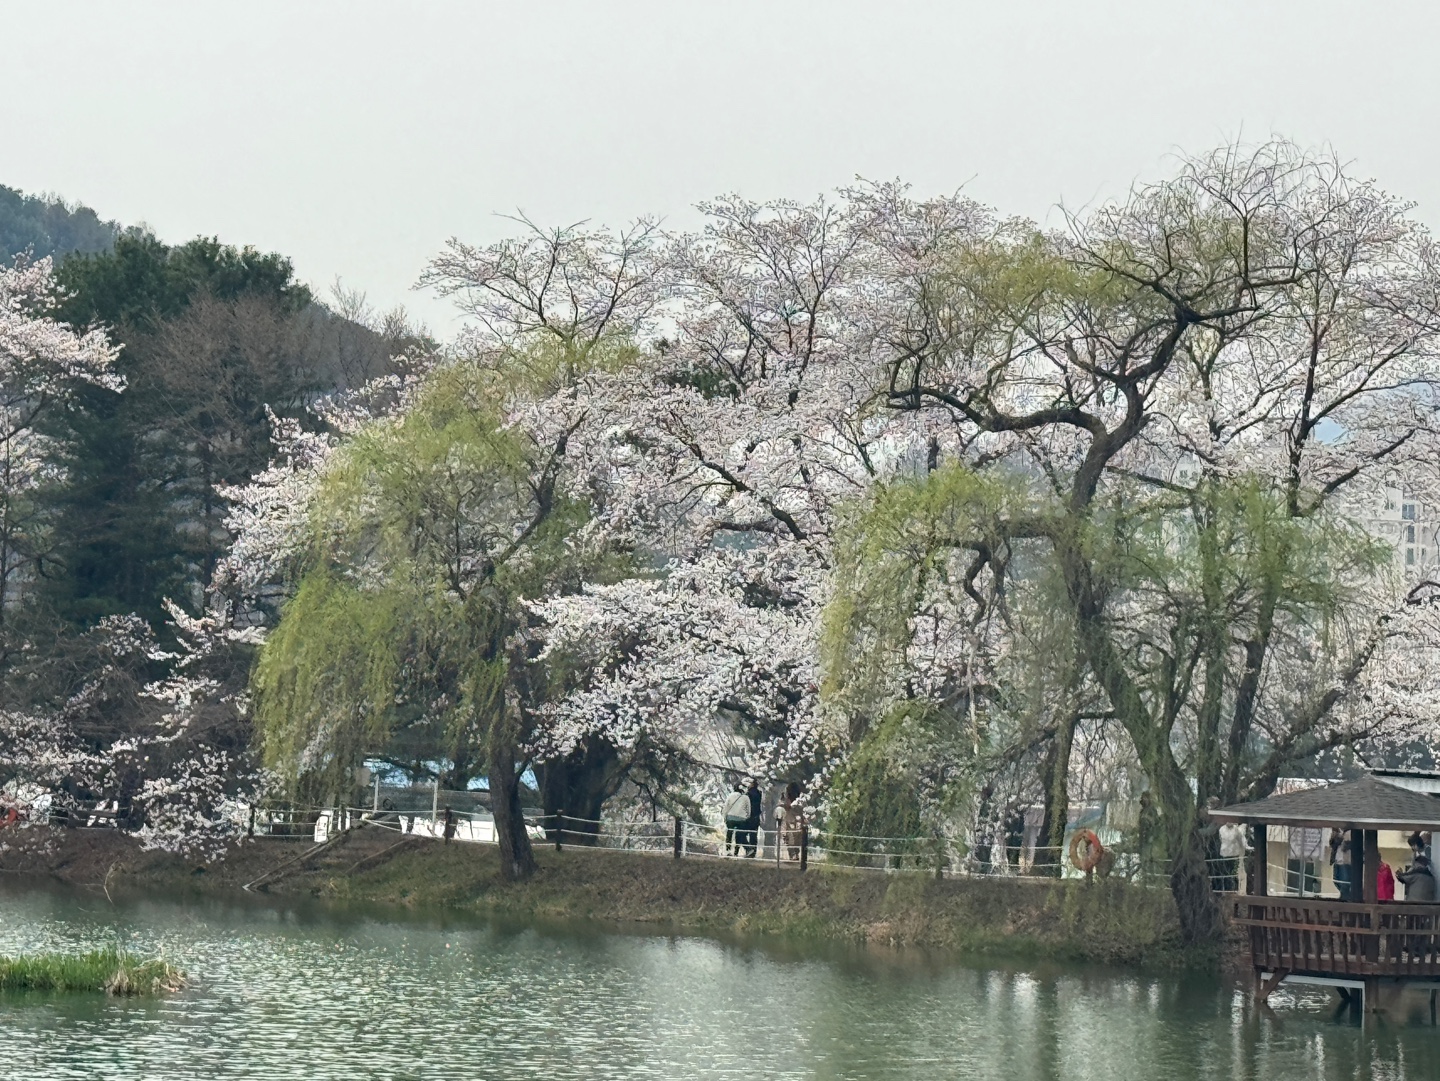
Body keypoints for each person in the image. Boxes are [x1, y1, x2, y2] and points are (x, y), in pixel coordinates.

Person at [1396, 831, 1437, 902]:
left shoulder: (1427, 850)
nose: (1412, 847)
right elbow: (1413, 868)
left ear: (1416, 844)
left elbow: (1418, 868)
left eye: (1412, 845)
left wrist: (1406, 875)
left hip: (1426, 878)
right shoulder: (1416, 854)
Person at [1218, 822, 1248, 893]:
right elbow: (1220, 839)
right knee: (1225, 873)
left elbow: (1241, 842)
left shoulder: (1236, 830)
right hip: (1224, 854)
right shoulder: (1221, 829)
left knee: (1233, 874)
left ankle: (1234, 890)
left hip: (1234, 855)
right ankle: (1226, 890)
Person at [780, 782, 805, 861]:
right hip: (797, 819)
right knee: (797, 836)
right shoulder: (800, 801)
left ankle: (792, 854)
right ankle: (796, 853)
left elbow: (784, 805)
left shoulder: (786, 799)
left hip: (789, 818)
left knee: (789, 836)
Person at [723, 782, 749, 856]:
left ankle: (728, 850)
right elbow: (748, 809)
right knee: (739, 835)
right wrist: (746, 817)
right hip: (741, 819)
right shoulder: (746, 797)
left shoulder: (730, 796)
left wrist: (725, 816)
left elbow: (726, 807)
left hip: (730, 817)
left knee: (729, 834)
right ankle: (736, 852)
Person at [1328, 830, 1352, 902]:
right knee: (1336, 880)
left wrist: (1341, 838)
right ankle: (1344, 895)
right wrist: (1335, 837)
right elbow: (1331, 843)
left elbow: (1345, 846)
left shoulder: (1350, 832)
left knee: (1345, 882)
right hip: (1337, 860)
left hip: (1346, 861)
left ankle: (1345, 898)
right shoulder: (1336, 831)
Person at [742, 777, 762, 858]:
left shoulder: (748, 794)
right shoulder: (759, 793)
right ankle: (753, 852)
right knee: (753, 835)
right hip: (756, 817)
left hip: (749, 816)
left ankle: (748, 849)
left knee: (741, 834)